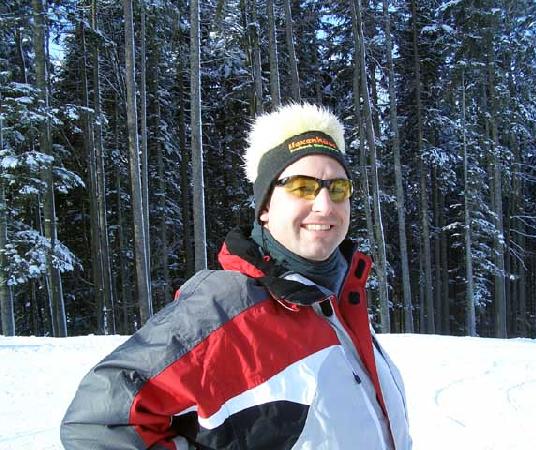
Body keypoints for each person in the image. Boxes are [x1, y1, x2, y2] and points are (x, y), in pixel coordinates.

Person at [61, 103, 412, 449]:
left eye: (338, 188)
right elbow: (98, 424)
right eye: (302, 187)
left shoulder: (338, 302)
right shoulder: (225, 308)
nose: (325, 204)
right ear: (265, 207)